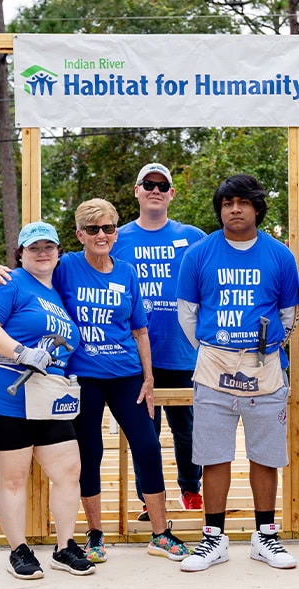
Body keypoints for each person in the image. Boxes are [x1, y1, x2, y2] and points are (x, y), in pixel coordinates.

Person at [175, 174, 299, 572]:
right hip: (214, 367)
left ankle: (265, 536)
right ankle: (214, 539)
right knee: (214, 456)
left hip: (264, 368)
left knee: (265, 455)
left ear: (257, 208)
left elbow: (288, 316)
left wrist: (259, 351)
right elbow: (187, 315)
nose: (234, 209)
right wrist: (216, 350)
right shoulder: (198, 254)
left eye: (243, 202)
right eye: (227, 202)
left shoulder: (279, 256)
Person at [56, 199, 191, 564]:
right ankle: (95, 534)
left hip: (127, 374)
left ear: (116, 231)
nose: (102, 235)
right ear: (80, 233)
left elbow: (140, 330)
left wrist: (148, 378)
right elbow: (31, 274)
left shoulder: (127, 272)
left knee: (148, 446)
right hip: (84, 376)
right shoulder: (66, 267)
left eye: (109, 228)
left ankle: (160, 534)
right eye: (93, 229)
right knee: (90, 452)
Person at [0, 222, 93, 579]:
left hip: (47, 398)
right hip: (3, 394)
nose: (42, 253)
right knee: (13, 477)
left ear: (58, 252)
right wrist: (20, 351)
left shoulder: (57, 294)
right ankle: (19, 550)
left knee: (69, 471)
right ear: (20, 254)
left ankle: (64, 547)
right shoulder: (7, 282)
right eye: (33, 247)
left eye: (48, 247)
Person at [112, 162, 206, 518]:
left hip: (182, 354)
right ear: (136, 191)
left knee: (188, 431)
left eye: (161, 185)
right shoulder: (117, 238)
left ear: (171, 193)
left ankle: (190, 489)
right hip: (135, 357)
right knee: (145, 436)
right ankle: (148, 501)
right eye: (147, 184)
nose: (154, 189)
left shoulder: (194, 237)